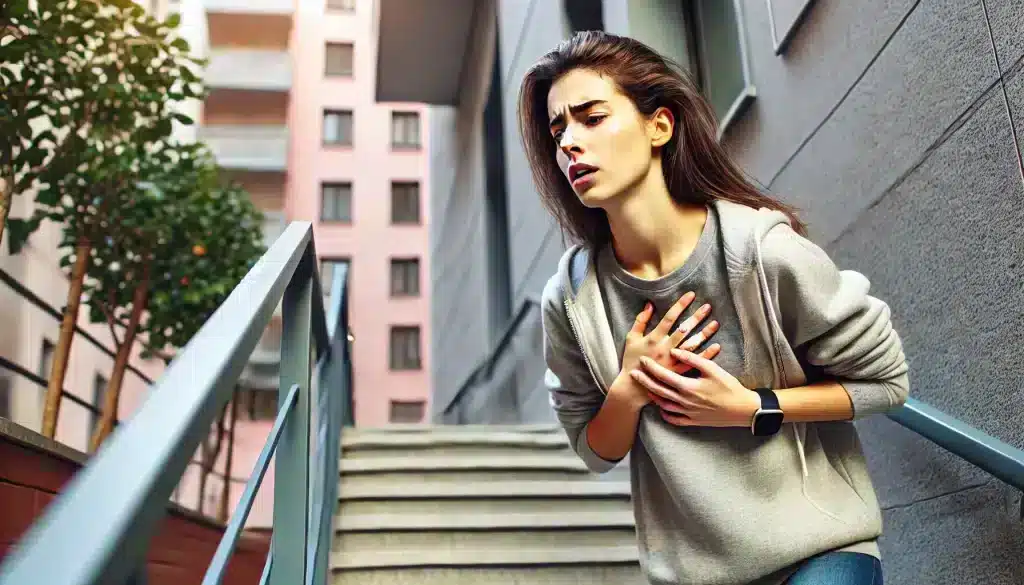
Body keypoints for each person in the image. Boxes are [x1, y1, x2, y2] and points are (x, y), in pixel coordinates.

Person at [523, 31, 908, 585]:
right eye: (559, 130)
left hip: (821, 550)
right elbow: (594, 449)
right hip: (695, 572)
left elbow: (886, 383)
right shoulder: (573, 300)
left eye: (592, 117)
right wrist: (630, 387)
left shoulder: (761, 251)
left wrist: (754, 406)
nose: (569, 146)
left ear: (659, 126)